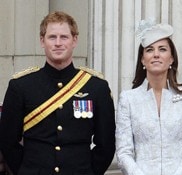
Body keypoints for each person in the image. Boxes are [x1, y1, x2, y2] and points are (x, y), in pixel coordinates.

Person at [0, 11, 116, 175]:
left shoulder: (97, 87)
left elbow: (106, 144)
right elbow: (7, 140)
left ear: (74, 40)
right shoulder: (20, 86)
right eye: (52, 37)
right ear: (42, 41)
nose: (58, 43)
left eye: (64, 37)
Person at [115, 19, 182, 175]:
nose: (156, 54)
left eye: (162, 49)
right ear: (142, 59)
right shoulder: (128, 99)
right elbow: (124, 152)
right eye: (149, 50)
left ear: (171, 58)